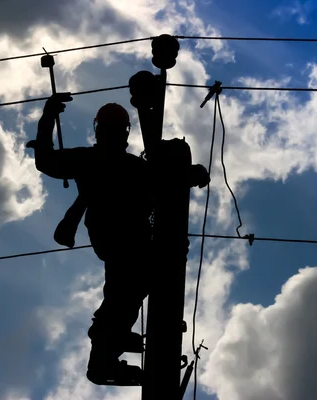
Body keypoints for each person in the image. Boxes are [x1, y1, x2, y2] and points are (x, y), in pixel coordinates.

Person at [27, 93, 210, 386]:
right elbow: (163, 181)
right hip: (122, 237)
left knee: (132, 284)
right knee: (136, 281)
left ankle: (109, 344)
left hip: (115, 236)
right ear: (123, 131)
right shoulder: (126, 165)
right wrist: (191, 174)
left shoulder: (97, 160)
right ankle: (105, 351)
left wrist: (48, 117)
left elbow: (46, 160)